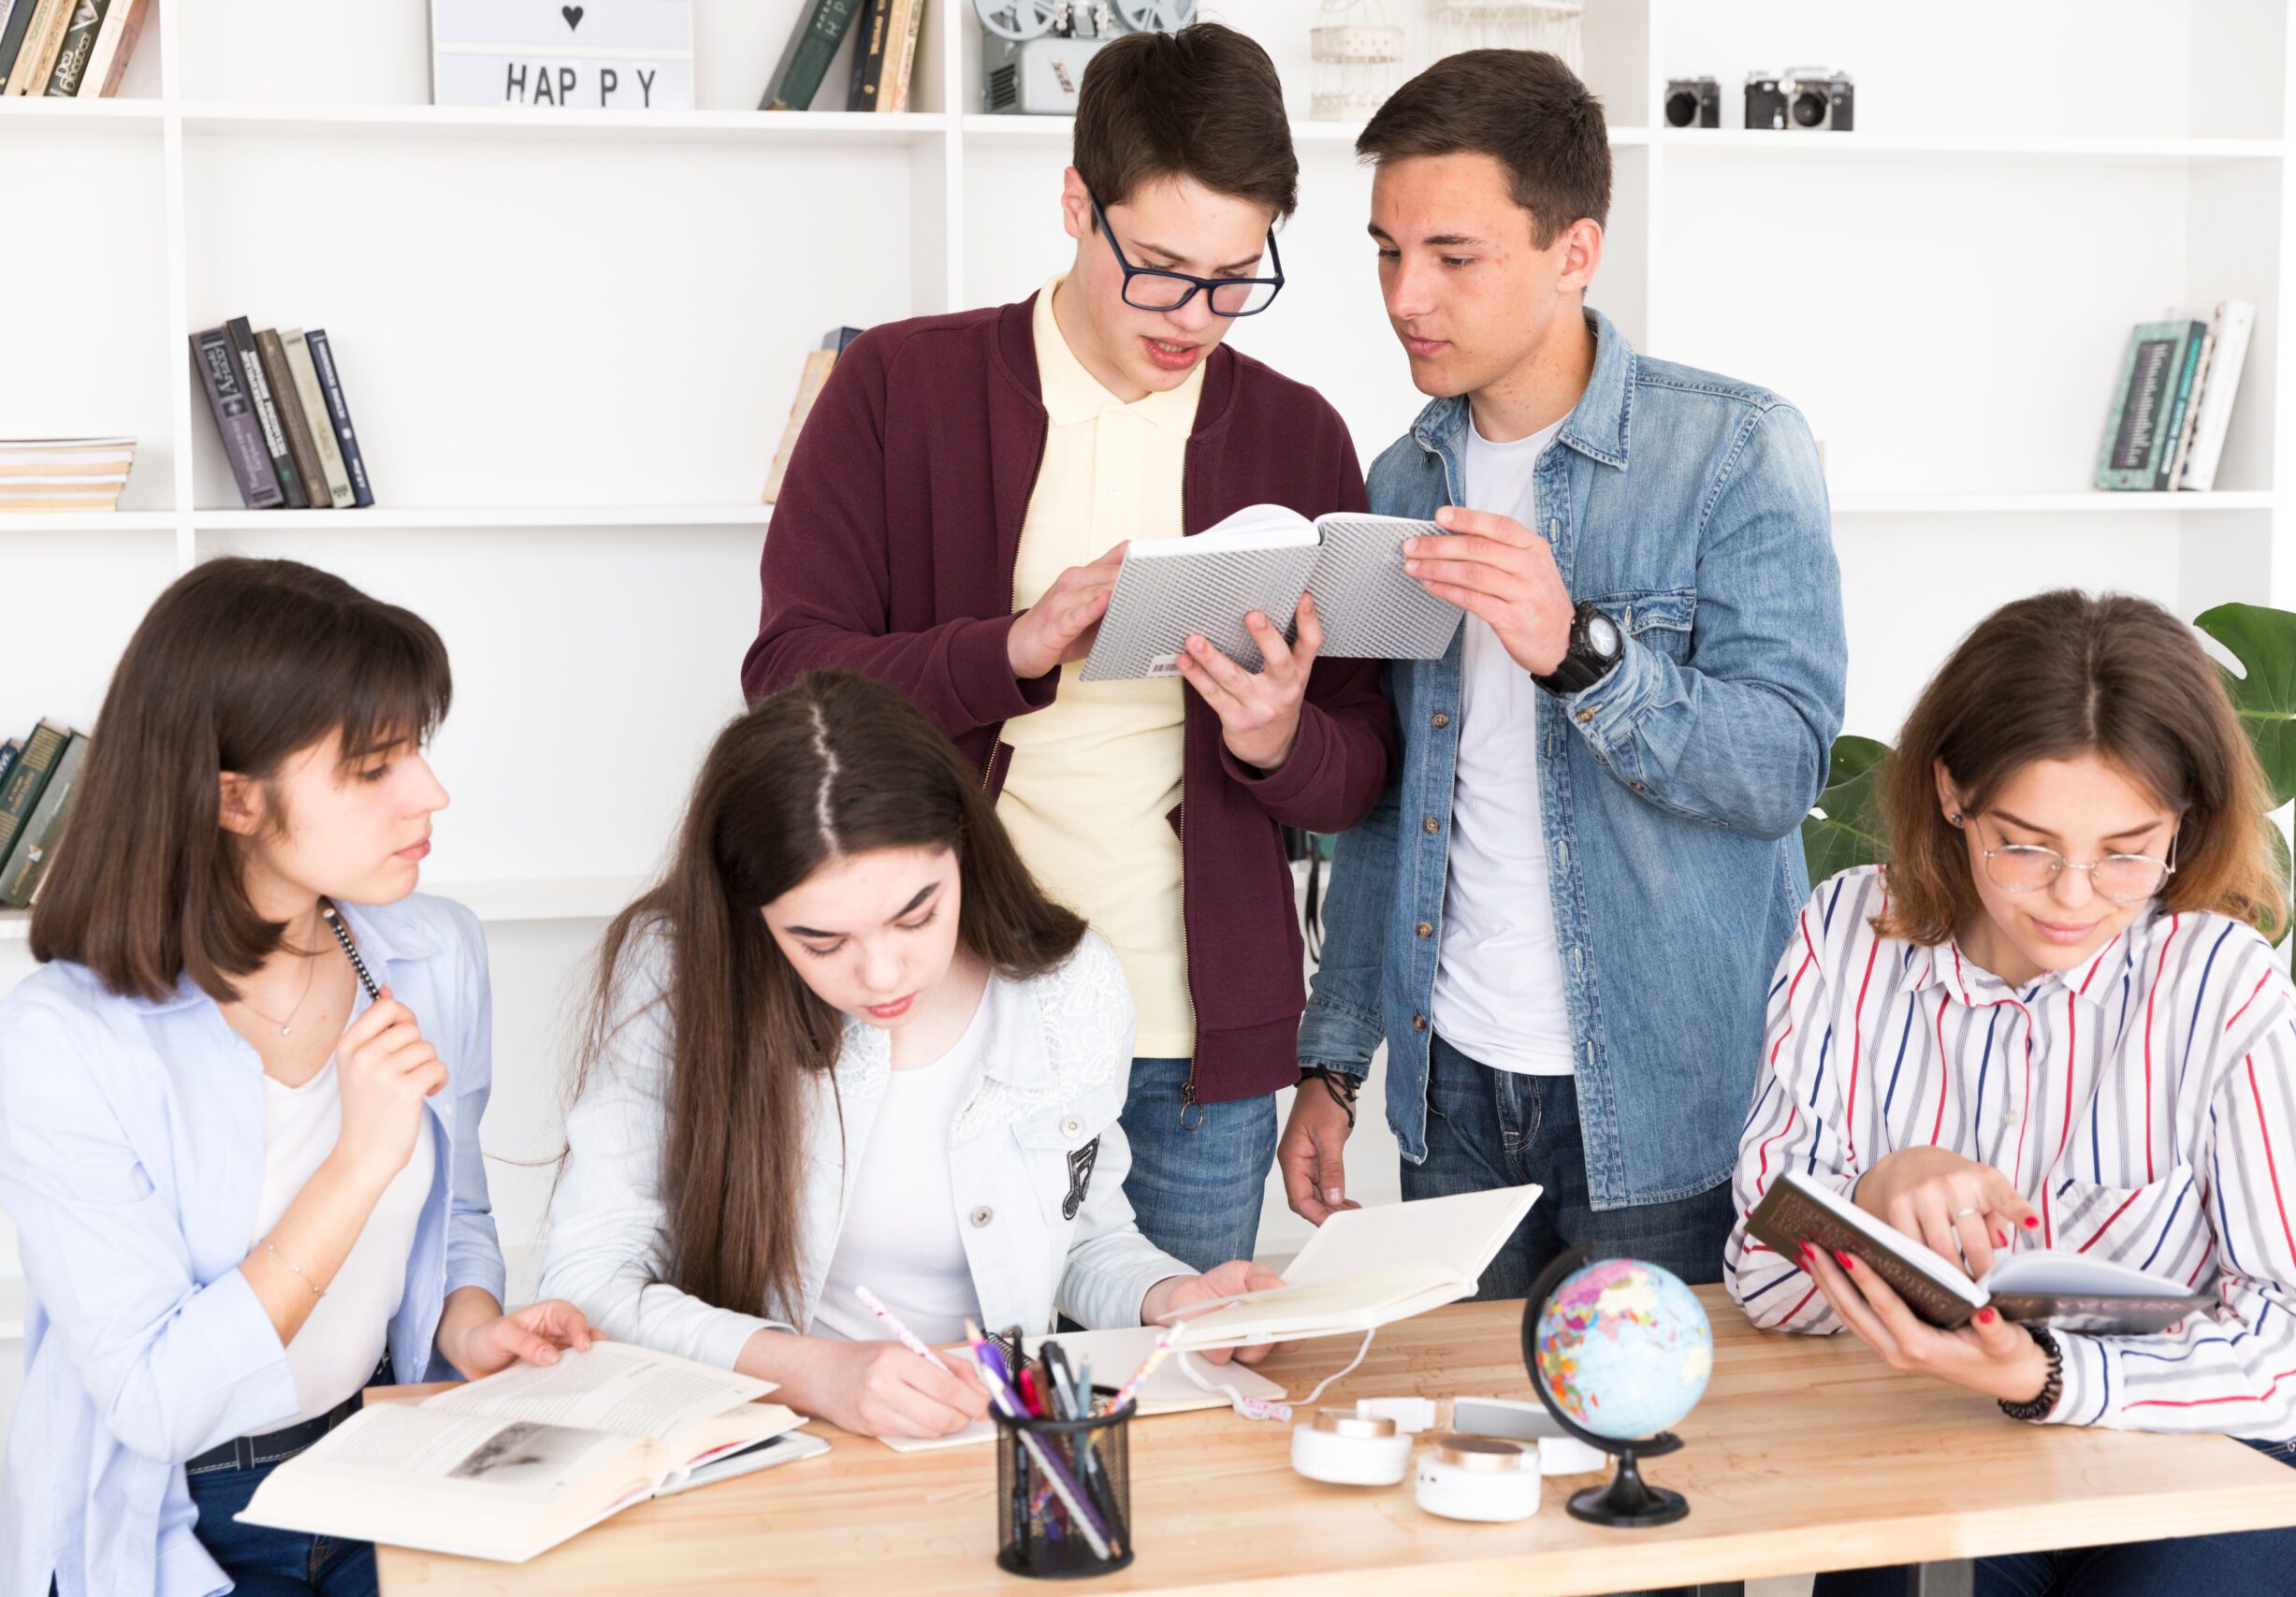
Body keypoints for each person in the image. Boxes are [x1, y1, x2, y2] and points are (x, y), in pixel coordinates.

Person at [740, 23, 1393, 1275]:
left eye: (1232, 275)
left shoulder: (1296, 436)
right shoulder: (897, 386)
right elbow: (787, 679)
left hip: (1190, 1034)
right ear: (1073, 204)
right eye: (1156, 268)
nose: (1194, 316)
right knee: (928, 1391)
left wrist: (1277, 741)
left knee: (1167, 1401)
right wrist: (1014, 647)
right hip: (939, 1000)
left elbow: (1361, 765)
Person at [1282, 51, 1846, 1291]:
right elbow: (1390, 808)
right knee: (1477, 1459)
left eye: (1453, 255)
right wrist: (1333, 1062)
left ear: (1574, 252)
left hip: (1667, 1101)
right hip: (1454, 1104)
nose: (1405, 295)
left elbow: (1780, 766)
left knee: (1672, 1469)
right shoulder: (1398, 481)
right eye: (1385, 250)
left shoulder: (1736, 449)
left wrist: (1581, 651)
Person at [1726, 591, 2296, 1596]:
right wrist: (1881, 1189)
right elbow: (1762, 1281)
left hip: (2205, 1460)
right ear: (1950, 793)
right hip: (1937, 1443)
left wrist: (2054, 1377)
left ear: (2181, 823)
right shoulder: (1848, 931)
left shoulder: (2221, 983)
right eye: (2023, 844)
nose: (2073, 897)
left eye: (2126, 852)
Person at [0, 559, 594, 1597]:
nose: (431, 792)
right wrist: (355, 1163)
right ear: (233, 798)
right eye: (374, 767)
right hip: (179, 1521)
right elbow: (155, 1400)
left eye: (418, 748)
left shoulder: (431, 952)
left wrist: (470, 1321)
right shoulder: (66, 1039)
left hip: (381, 1468)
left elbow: (453, 1214)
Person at [540, 671, 1283, 1442]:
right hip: (766, 1438)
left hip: (980, 1440)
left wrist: (1167, 1294)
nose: (883, 975)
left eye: (916, 915)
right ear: (749, 912)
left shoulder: (1070, 987)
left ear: (964, 844)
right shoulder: (676, 970)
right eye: (820, 942)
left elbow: (1084, 1234)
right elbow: (589, 1279)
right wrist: (814, 1371)